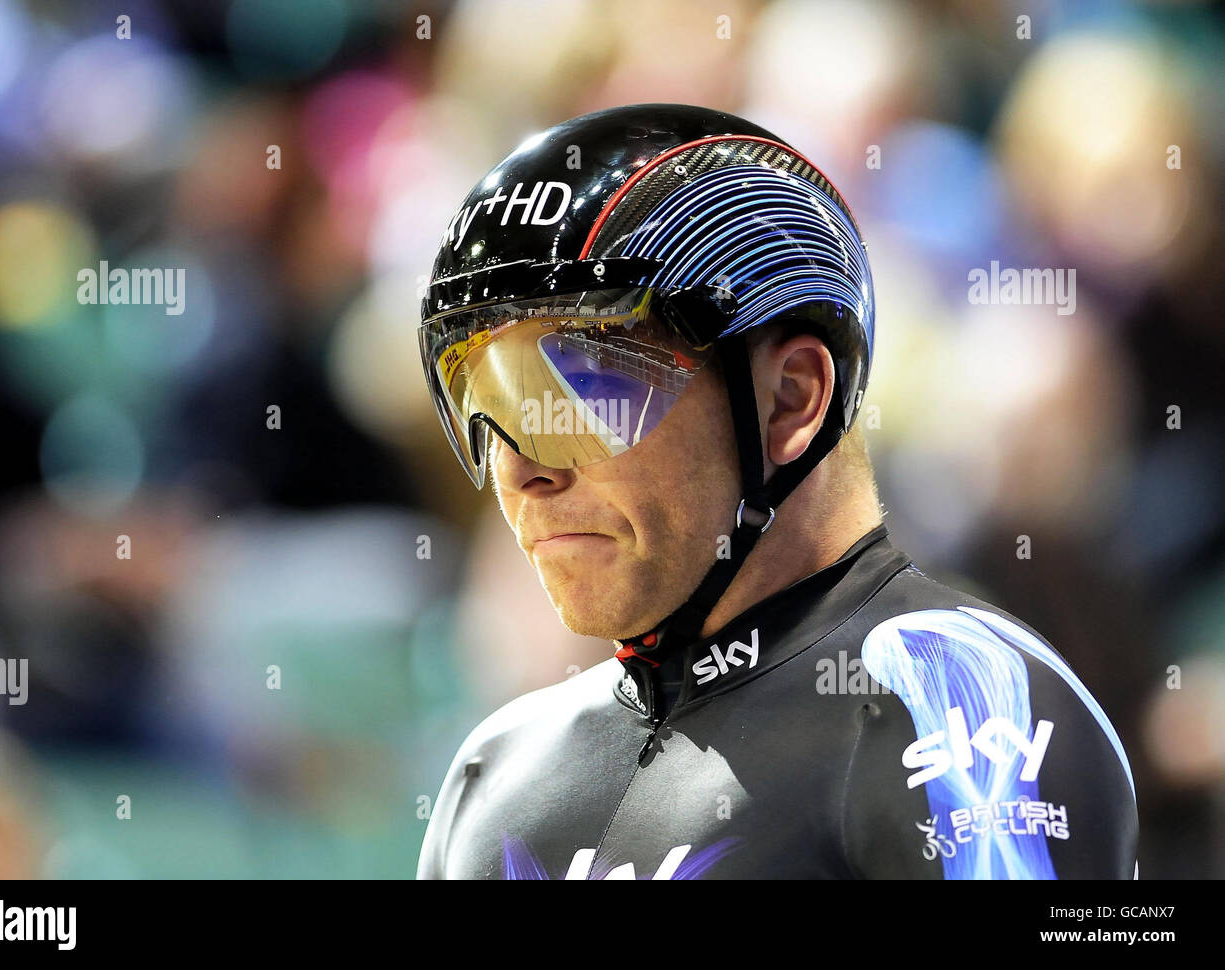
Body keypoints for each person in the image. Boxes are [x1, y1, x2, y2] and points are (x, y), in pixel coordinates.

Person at [415, 103, 1138, 880]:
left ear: (791, 399)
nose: (522, 470)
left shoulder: (958, 703)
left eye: (579, 397)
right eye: (484, 403)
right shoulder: (492, 773)